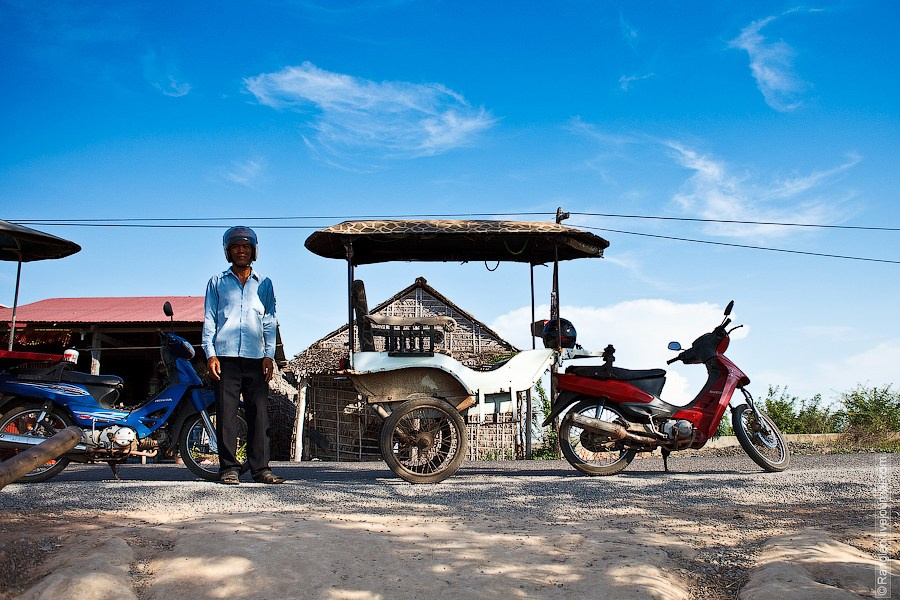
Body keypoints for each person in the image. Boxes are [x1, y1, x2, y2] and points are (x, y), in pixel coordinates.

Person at [201, 226, 284, 485]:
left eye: (245, 247)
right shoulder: (216, 282)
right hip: (225, 357)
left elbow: (269, 322)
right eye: (236, 247)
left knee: (259, 413)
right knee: (226, 415)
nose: (241, 251)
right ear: (228, 251)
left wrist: (269, 355)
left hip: (255, 358)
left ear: (253, 251)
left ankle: (261, 469)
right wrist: (210, 354)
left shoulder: (265, 284)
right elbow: (209, 320)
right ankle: (229, 468)